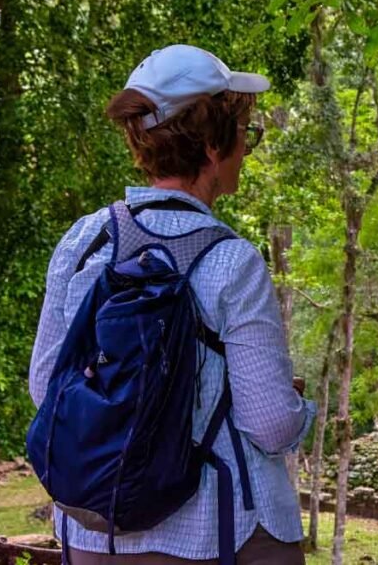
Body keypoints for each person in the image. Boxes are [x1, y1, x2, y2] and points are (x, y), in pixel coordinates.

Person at [29, 44, 314, 565]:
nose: (246, 150)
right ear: (211, 144)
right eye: (245, 136)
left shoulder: (84, 242)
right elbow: (271, 424)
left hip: (95, 534)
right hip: (214, 535)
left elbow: (45, 385)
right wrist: (300, 409)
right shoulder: (232, 261)